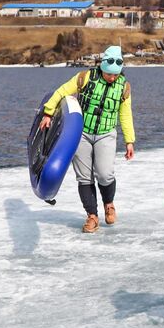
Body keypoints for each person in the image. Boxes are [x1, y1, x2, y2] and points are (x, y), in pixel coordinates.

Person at [39, 44, 135, 233]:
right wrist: (48, 113)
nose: (112, 77)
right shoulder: (85, 77)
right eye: (109, 74)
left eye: (116, 74)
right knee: (84, 177)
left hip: (106, 134)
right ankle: (92, 216)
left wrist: (129, 141)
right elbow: (61, 92)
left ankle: (109, 204)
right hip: (81, 133)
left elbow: (126, 115)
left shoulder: (123, 87)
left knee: (105, 173)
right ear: (102, 67)